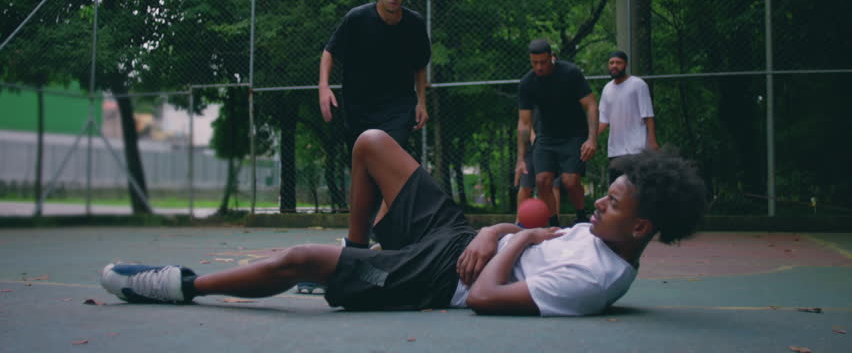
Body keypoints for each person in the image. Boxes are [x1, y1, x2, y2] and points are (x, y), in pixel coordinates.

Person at [100, 129, 706, 316]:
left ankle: (177, 285)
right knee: (371, 144)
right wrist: (502, 232)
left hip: (443, 277)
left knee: (297, 261)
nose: (598, 203)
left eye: (613, 204)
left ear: (642, 228)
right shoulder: (602, 238)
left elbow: (489, 298)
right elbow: (519, 242)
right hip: (467, 238)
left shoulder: (594, 280)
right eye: (606, 195)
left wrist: (511, 236)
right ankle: (356, 253)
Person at [318, 0, 431, 156]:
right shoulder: (357, 18)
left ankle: (401, 186)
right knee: (364, 167)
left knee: (389, 157)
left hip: (398, 108)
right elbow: (330, 52)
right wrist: (324, 87)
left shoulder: (415, 24)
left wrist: (421, 102)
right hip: (359, 108)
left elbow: (420, 65)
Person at [515, 40, 599, 226]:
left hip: (574, 134)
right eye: (534, 63)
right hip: (546, 136)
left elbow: (591, 104)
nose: (539, 67)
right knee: (542, 180)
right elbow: (524, 122)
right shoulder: (527, 83)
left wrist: (592, 139)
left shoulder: (570, 73)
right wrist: (520, 159)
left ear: (551, 57)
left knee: (570, 181)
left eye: (543, 62)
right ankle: (553, 224)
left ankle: (581, 217)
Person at [597, 51, 659, 184]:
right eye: (611, 63)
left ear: (625, 64)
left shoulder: (638, 84)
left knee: (635, 187)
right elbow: (603, 121)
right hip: (615, 150)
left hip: (636, 148)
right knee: (617, 187)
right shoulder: (607, 89)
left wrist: (652, 141)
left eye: (618, 63)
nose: (614, 66)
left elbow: (648, 115)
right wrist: (589, 138)